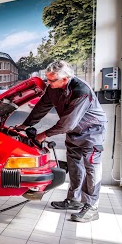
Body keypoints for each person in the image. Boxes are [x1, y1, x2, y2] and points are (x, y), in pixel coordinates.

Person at [15, 60, 107, 222]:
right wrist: (25, 124)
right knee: (74, 166)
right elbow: (41, 107)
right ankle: (73, 200)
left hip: (92, 132)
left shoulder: (81, 91)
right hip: (73, 132)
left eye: (51, 80)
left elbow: (67, 123)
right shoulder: (53, 89)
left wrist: (43, 135)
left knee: (91, 168)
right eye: (47, 79)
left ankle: (92, 207)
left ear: (65, 79)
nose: (48, 84)